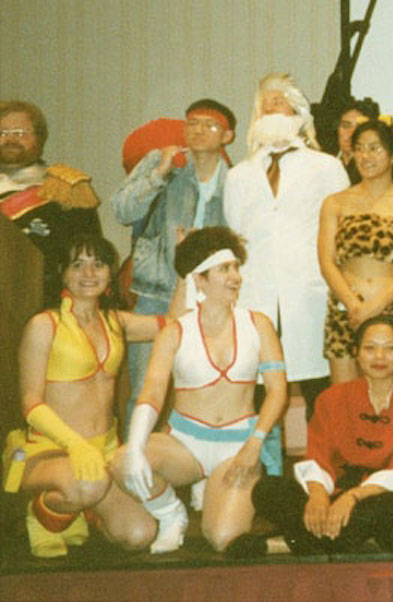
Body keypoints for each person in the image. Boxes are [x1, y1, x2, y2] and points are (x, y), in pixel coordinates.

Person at [117, 227, 289, 553]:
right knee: (122, 461)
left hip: (239, 446)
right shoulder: (175, 332)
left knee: (224, 538)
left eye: (236, 267)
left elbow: (278, 392)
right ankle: (171, 514)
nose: (236, 277)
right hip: (186, 445)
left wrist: (254, 444)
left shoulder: (259, 324)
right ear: (200, 279)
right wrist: (137, 444)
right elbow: (152, 393)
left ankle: (267, 528)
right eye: (225, 269)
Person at [5, 236, 162, 557]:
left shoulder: (116, 322)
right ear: (62, 273)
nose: (89, 272)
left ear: (110, 273)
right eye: (78, 264)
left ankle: (78, 509)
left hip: (102, 451)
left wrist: (187, 271)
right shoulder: (43, 325)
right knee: (88, 485)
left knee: (140, 534)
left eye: (98, 264)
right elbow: (30, 403)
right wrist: (74, 445)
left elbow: (173, 326)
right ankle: (43, 511)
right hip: (46, 451)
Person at [231, 316, 393, 556]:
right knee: (267, 489)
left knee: (391, 507)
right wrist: (318, 497)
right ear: (356, 353)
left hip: (375, 498)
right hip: (330, 492)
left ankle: (281, 544)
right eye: (370, 348)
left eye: (390, 349)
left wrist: (352, 498)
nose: (379, 357)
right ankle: (346, 539)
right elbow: (317, 452)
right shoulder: (331, 399)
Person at [224, 72, 350, 409]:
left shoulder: (326, 168)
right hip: (257, 294)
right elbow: (236, 237)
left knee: (319, 388)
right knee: (260, 388)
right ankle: (263, 461)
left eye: (280, 102)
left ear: (298, 114)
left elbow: (342, 234)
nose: (272, 108)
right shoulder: (239, 176)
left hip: (310, 292)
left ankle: (323, 461)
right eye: (265, 106)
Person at [111, 99, 237, 407]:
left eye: (209, 125)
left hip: (210, 296)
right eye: (192, 122)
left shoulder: (236, 179)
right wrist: (159, 175)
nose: (198, 131)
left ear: (227, 136)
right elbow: (122, 210)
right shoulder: (163, 161)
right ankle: (135, 453)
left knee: (206, 387)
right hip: (156, 292)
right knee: (144, 389)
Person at [317, 120, 393, 385]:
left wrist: (377, 306)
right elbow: (326, 262)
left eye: (375, 148)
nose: (366, 156)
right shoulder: (335, 203)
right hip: (346, 312)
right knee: (344, 406)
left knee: (392, 407)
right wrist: (355, 305)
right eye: (359, 148)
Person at [1, 100, 104, 301]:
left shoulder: (67, 188)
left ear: (40, 139)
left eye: (21, 133)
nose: (11, 139)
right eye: (3, 133)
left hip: (45, 300)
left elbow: (88, 255)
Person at [335, 97, 381, 184]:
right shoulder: (324, 161)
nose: (351, 133)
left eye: (359, 128)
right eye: (346, 126)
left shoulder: (374, 167)